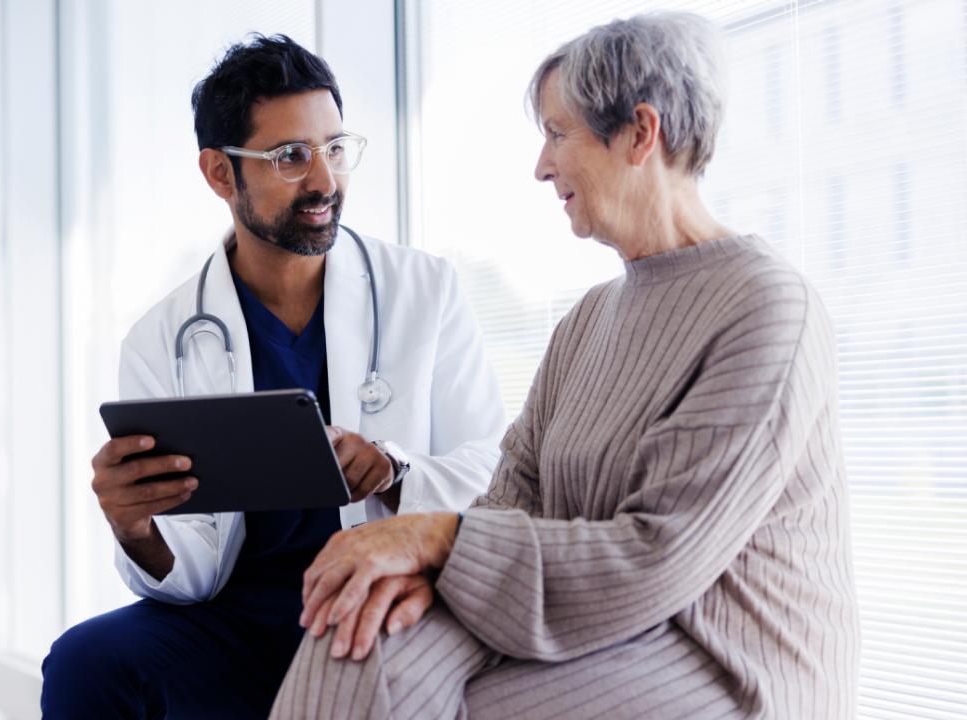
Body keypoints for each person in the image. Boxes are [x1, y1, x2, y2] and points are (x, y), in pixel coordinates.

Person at [271, 13, 860, 720]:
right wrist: (427, 567)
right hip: (593, 624)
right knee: (354, 640)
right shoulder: (586, 321)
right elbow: (513, 499)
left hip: (724, 656)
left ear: (641, 133)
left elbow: (656, 556)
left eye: (558, 134)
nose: (541, 166)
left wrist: (436, 540)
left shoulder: (767, 310)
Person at [39, 35, 507, 719]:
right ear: (220, 175)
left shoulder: (425, 291)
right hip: (236, 619)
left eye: (335, 149)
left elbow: (493, 474)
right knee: (86, 663)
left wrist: (392, 470)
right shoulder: (159, 340)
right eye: (290, 156)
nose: (324, 180)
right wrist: (136, 530)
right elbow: (192, 575)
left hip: (376, 595)